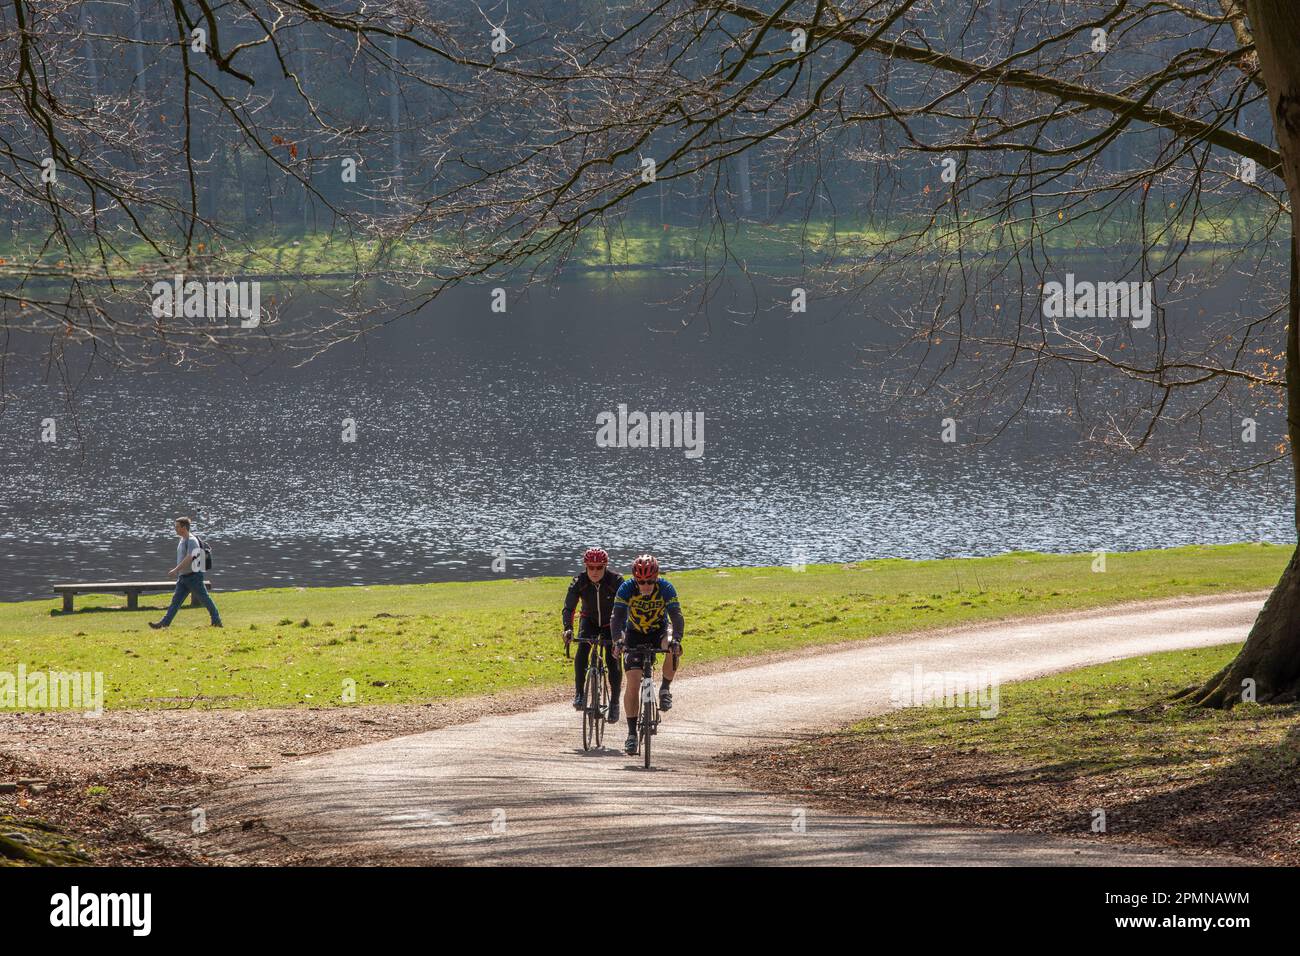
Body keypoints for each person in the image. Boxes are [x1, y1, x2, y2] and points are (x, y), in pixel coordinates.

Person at [610, 554, 683, 755]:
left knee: (671, 644)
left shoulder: (666, 588)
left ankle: (665, 689)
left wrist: (677, 638)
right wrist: (617, 640)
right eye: (641, 582)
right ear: (635, 579)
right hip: (634, 633)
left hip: (658, 631)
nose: (646, 586)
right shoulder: (626, 588)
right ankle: (632, 734)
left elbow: (676, 616)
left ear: (656, 577)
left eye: (650, 581)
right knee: (633, 682)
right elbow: (616, 618)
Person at [562, 547, 624, 721]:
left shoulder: (616, 581)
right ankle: (579, 694)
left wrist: (622, 633)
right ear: (586, 566)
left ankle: (614, 703)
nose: (595, 571)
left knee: (613, 660)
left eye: (599, 567)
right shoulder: (579, 581)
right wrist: (568, 628)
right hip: (588, 620)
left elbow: (626, 607)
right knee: (582, 651)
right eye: (591, 567)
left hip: (610, 622)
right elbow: (569, 607)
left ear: (605, 566)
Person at [149, 517, 222, 629]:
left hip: (193, 577)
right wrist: (179, 572)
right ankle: (164, 623)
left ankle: (216, 620)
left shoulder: (192, 540)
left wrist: (176, 570)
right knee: (175, 602)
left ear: (184, 527)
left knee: (205, 599)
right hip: (183, 577)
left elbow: (189, 557)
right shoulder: (182, 539)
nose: (175, 529)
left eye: (177, 526)